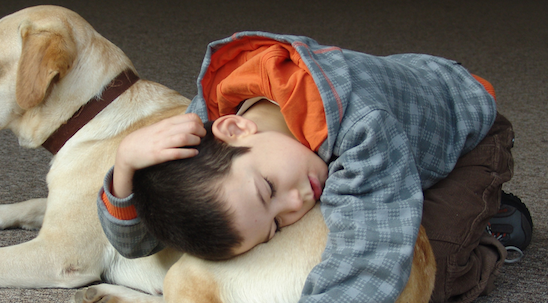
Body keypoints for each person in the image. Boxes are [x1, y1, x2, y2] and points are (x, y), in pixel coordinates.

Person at [96, 31, 517, 302]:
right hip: (389, 141)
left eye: (268, 189)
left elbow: (371, 253)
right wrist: (125, 167)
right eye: (276, 225)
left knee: (428, 273)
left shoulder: (362, 128)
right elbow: (142, 242)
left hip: (466, 137)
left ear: (236, 127)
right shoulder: (220, 140)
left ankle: (494, 226)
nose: (296, 203)